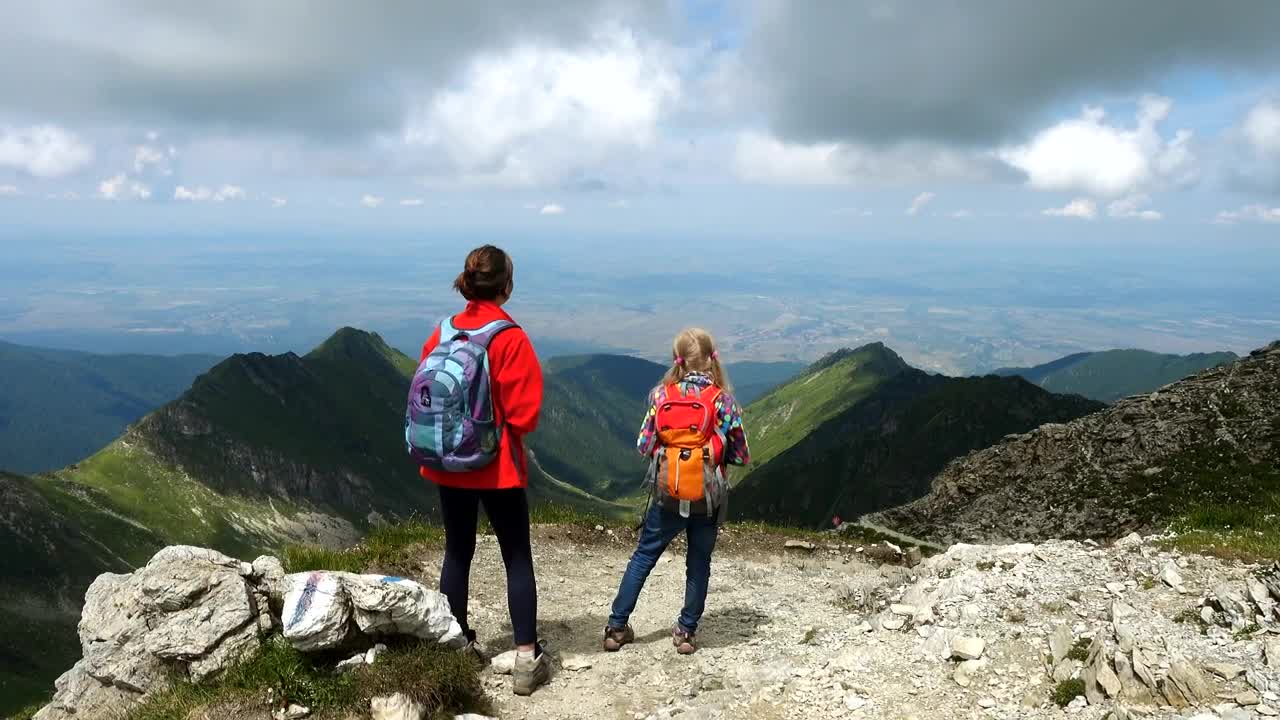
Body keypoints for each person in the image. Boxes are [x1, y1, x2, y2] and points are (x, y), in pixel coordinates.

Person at [413, 244, 549, 695]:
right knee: (515, 555)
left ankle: (454, 643)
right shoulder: (509, 338)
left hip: (447, 464)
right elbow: (525, 414)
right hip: (497, 468)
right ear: (506, 287)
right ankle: (526, 658)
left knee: (457, 552)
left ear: (466, 283)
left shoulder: (442, 332)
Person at [602, 327, 750, 655]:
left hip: (667, 493)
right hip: (707, 497)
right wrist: (714, 445)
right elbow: (741, 455)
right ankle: (685, 632)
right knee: (698, 562)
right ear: (713, 360)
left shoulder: (661, 396)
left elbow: (644, 445)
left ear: (677, 360)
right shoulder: (721, 401)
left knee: (643, 556)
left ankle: (615, 627)